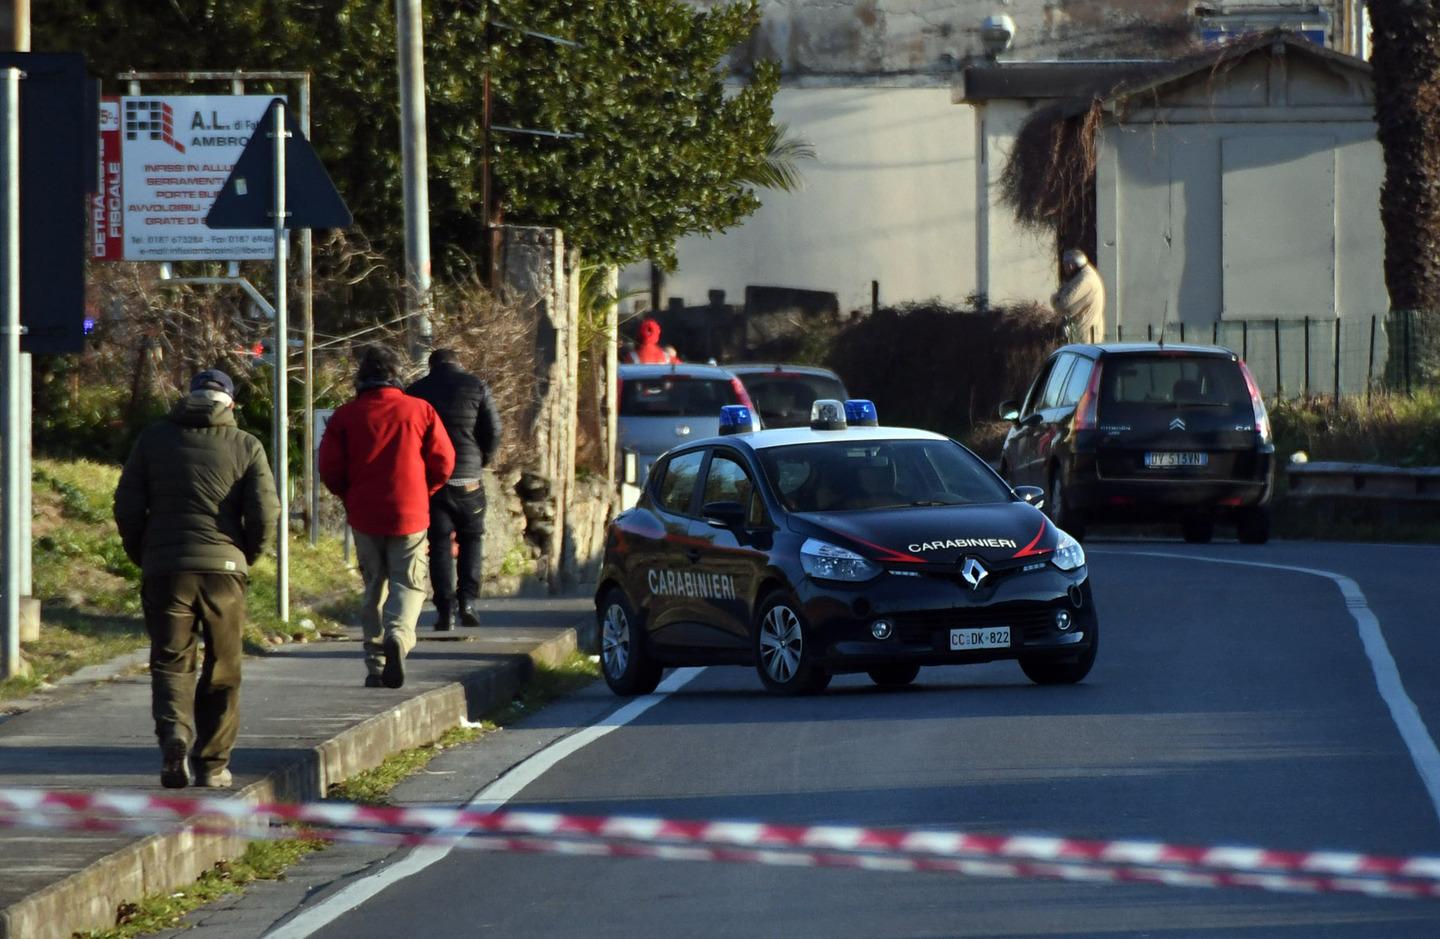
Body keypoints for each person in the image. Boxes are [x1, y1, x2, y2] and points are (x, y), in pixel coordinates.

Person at [114, 368, 278, 789]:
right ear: (230, 404)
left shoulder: (153, 439)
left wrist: (144, 553)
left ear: (188, 397)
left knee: (170, 661)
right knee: (224, 667)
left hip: (166, 569)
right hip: (224, 570)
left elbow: (127, 504)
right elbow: (264, 512)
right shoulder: (246, 444)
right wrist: (246, 555)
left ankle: (175, 736)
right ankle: (213, 765)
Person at [319, 346, 455, 688]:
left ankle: (376, 664)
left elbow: (330, 468)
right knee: (408, 582)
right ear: (397, 375)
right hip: (410, 510)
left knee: (374, 584)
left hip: (364, 512)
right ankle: (398, 636)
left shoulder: (345, 416)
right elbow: (444, 461)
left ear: (361, 378)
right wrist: (425, 491)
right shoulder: (420, 410)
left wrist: (349, 496)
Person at [405, 348, 502, 631]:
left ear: (431, 365)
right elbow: (493, 431)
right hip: (468, 478)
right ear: (457, 363)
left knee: (439, 544)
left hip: (433, 481)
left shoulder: (416, 391)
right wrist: (481, 459)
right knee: (472, 538)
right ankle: (467, 602)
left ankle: (445, 610)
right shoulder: (477, 387)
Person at [1051, 248, 1106, 344]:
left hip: (1085, 336)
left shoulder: (1084, 280)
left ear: (1070, 265)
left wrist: (1055, 298)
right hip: (1085, 333)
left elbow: (1062, 305)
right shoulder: (1082, 276)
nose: (1065, 269)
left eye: (1065, 265)